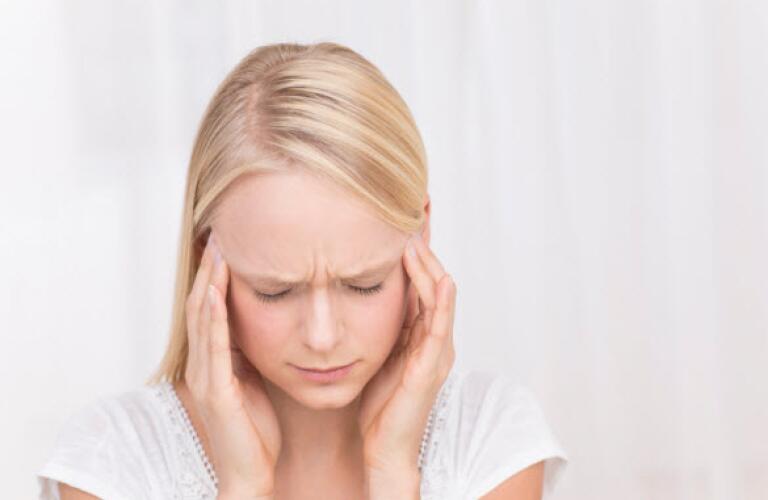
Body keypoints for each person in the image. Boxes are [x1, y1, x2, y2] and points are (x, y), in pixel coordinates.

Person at [36, 41, 568, 499]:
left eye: (364, 284)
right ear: (207, 254)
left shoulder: (490, 440)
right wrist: (243, 487)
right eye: (275, 291)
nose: (322, 336)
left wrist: (393, 473)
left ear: (420, 235)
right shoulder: (109, 463)